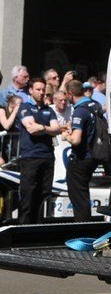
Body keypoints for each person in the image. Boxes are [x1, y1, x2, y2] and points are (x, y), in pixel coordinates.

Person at [17, 78, 60, 223]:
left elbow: (57, 129)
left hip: (47, 156)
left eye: (43, 90)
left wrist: (41, 127)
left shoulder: (49, 110)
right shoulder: (25, 107)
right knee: (28, 193)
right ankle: (23, 227)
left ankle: (38, 226)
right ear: (30, 90)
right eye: (38, 89)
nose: (41, 93)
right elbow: (31, 129)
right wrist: (48, 129)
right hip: (31, 156)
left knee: (44, 193)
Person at [63, 80, 100, 221]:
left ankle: (82, 227)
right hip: (94, 156)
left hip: (81, 158)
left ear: (70, 94)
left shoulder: (80, 110)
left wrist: (66, 135)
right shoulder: (94, 105)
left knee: (78, 197)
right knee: (83, 194)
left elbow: (76, 140)